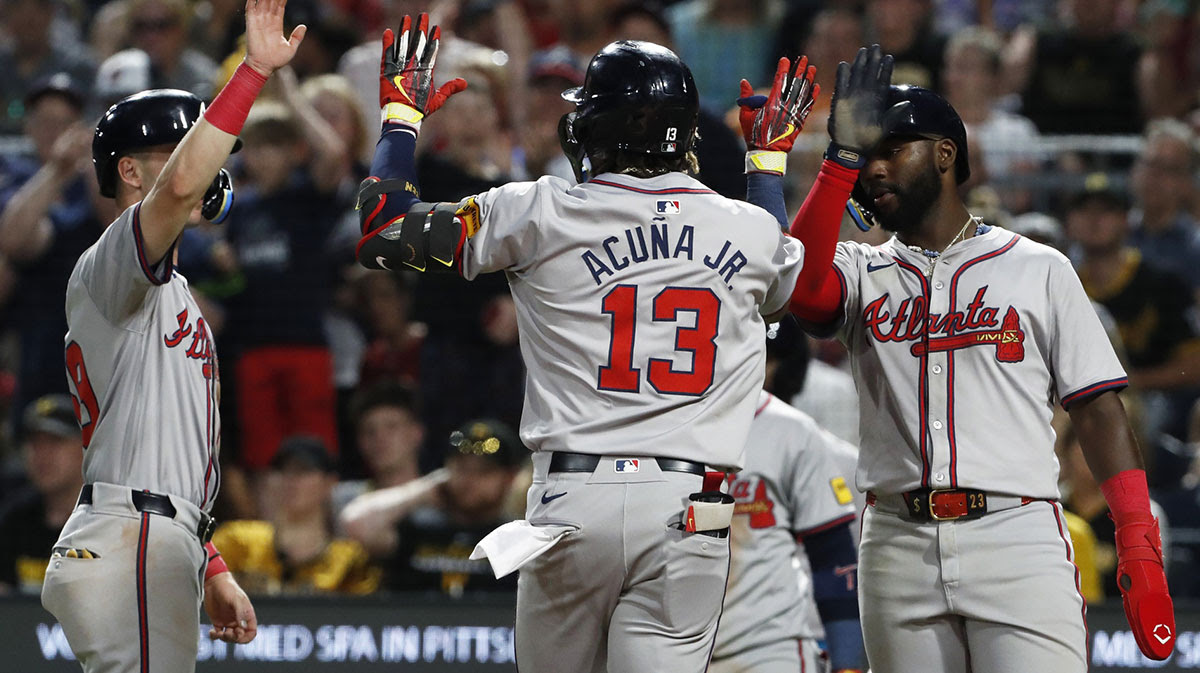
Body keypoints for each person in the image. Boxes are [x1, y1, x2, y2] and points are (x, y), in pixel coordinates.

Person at [354, 17, 805, 671]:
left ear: (595, 126)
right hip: (690, 505)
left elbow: (385, 232)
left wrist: (400, 116)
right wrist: (766, 164)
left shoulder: (539, 210)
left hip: (574, 497)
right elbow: (785, 290)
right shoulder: (747, 228)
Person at [754, 44, 1175, 670]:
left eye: (892, 149)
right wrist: (834, 160)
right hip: (898, 541)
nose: (875, 169)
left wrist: (1138, 539)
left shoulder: (1038, 266)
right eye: (867, 155)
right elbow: (795, 288)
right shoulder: (861, 268)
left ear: (946, 154)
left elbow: (1097, 407)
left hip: (1016, 533)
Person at [39, 2, 305, 671]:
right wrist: (250, 74)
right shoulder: (114, 257)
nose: (209, 167)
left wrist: (210, 561)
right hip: (131, 536)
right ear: (131, 171)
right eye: (181, 147)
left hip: (150, 530)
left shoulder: (172, 289)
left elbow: (164, 444)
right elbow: (181, 185)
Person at [710, 386, 865, 673]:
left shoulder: (787, 429)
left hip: (767, 649)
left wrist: (848, 664)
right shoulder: (648, 427)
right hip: (669, 647)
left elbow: (834, 558)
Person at [209, 435, 381, 595]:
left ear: (329, 482)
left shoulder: (348, 560)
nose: (291, 479)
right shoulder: (238, 541)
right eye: (283, 470)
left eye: (303, 470)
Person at [380, 418, 527, 596]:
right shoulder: (417, 528)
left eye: (483, 471)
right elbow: (357, 525)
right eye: (462, 468)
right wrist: (430, 486)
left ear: (509, 477)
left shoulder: (518, 540)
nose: (470, 480)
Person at [0, 395, 84, 594]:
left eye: (55, 442)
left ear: (84, 448)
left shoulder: (103, 519)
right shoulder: (15, 519)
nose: (42, 454)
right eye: (34, 443)